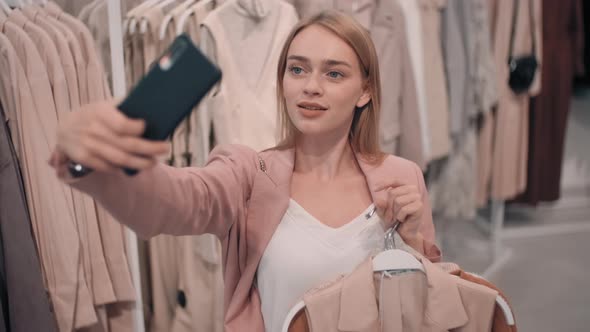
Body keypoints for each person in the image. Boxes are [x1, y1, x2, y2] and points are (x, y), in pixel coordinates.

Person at [50, 11, 440, 332]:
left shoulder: (402, 177)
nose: (311, 87)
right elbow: (173, 201)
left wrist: (411, 243)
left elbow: (429, 305)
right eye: (297, 70)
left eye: (333, 74)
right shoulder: (248, 175)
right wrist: (103, 162)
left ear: (365, 91)